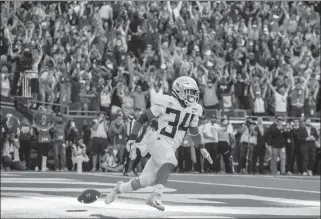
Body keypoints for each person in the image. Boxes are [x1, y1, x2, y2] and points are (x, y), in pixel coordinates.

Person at [104, 76, 213, 211]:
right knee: (171, 161)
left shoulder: (195, 109)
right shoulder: (166, 102)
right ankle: (156, 196)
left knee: (144, 181)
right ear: (178, 91)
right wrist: (132, 137)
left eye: (193, 92)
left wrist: (201, 147)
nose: (192, 96)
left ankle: (119, 188)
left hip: (169, 147)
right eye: (189, 92)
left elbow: (194, 131)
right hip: (157, 139)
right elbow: (142, 118)